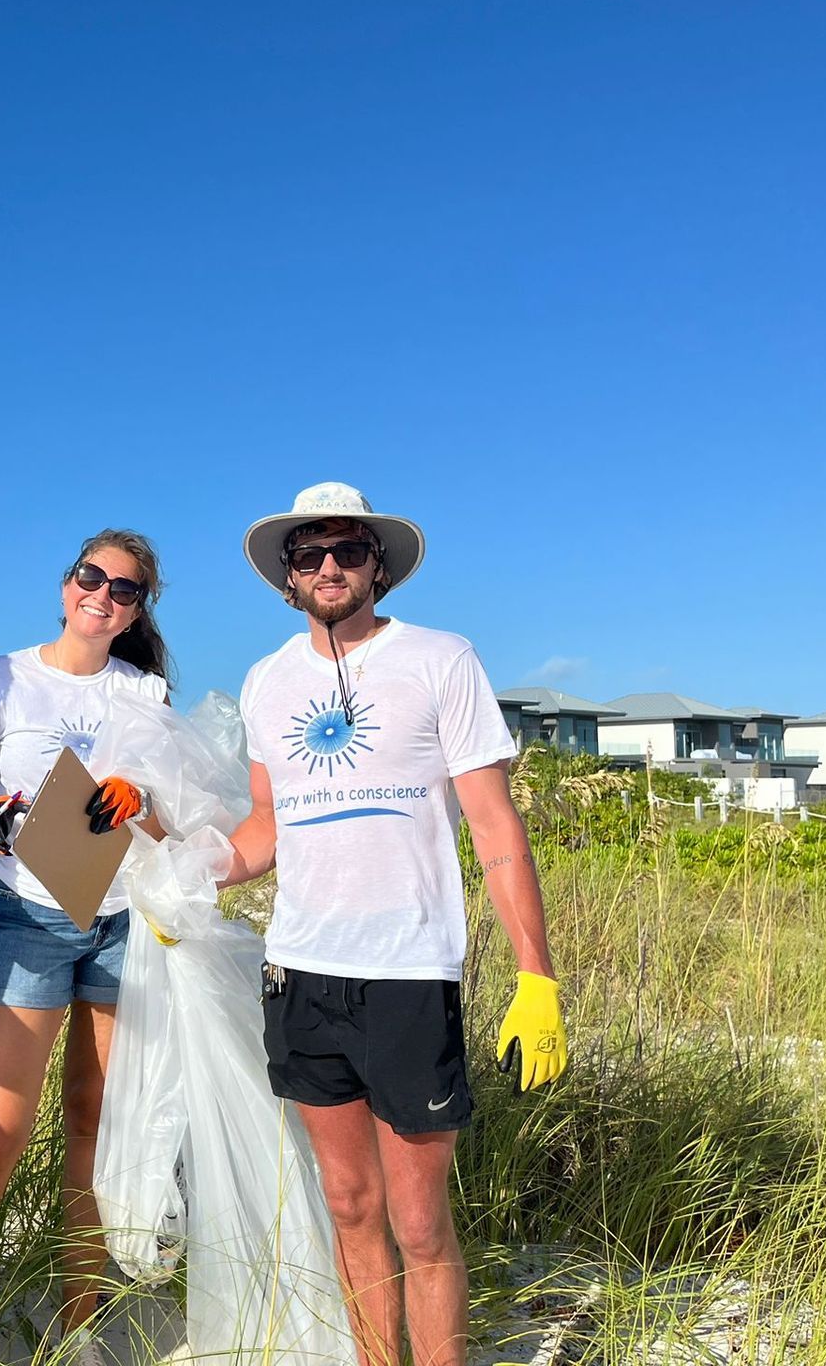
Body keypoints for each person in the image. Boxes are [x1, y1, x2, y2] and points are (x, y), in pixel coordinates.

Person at [219, 482, 567, 1366]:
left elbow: (495, 829)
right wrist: (169, 854)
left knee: (419, 1222)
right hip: (299, 971)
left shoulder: (440, 659)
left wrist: (538, 977)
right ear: (286, 578)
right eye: (309, 555)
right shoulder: (266, 681)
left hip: (411, 972)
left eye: (347, 551)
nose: (329, 567)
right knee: (350, 1205)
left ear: (379, 565)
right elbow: (264, 830)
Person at [0, 530, 173, 1365]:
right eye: (93, 577)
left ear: (136, 611)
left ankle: (80, 1325)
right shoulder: (3, 676)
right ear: (66, 585)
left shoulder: (146, 694)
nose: (104, 595)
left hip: (123, 916)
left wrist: (141, 800)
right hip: (26, 914)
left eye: (124, 590)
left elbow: (171, 824)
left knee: (95, 1124)